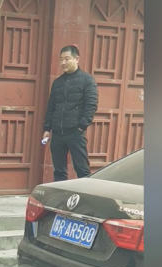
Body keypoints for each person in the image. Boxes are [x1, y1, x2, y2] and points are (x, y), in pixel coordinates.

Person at [42, 44, 98, 181]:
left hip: (75, 133)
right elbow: (51, 106)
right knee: (59, 171)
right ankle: (62, 200)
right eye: (61, 59)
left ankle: (86, 199)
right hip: (58, 134)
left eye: (67, 59)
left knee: (82, 169)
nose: (63, 63)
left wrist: (81, 126)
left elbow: (91, 105)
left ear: (77, 59)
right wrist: (47, 128)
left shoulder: (87, 80)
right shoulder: (57, 82)